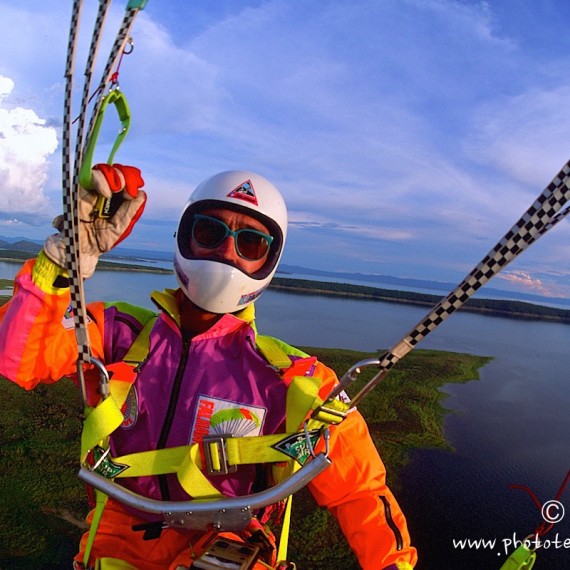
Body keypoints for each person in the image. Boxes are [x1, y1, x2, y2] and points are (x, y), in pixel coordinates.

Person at [0, 165, 417, 570]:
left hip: (228, 549)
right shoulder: (115, 335)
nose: (226, 251)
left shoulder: (296, 379)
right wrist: (62, 261)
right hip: (116, 546)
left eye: (250, 243)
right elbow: (18, 358)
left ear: (268, 261)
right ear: (184, 236)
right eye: (210, 232)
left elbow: (360, 492)